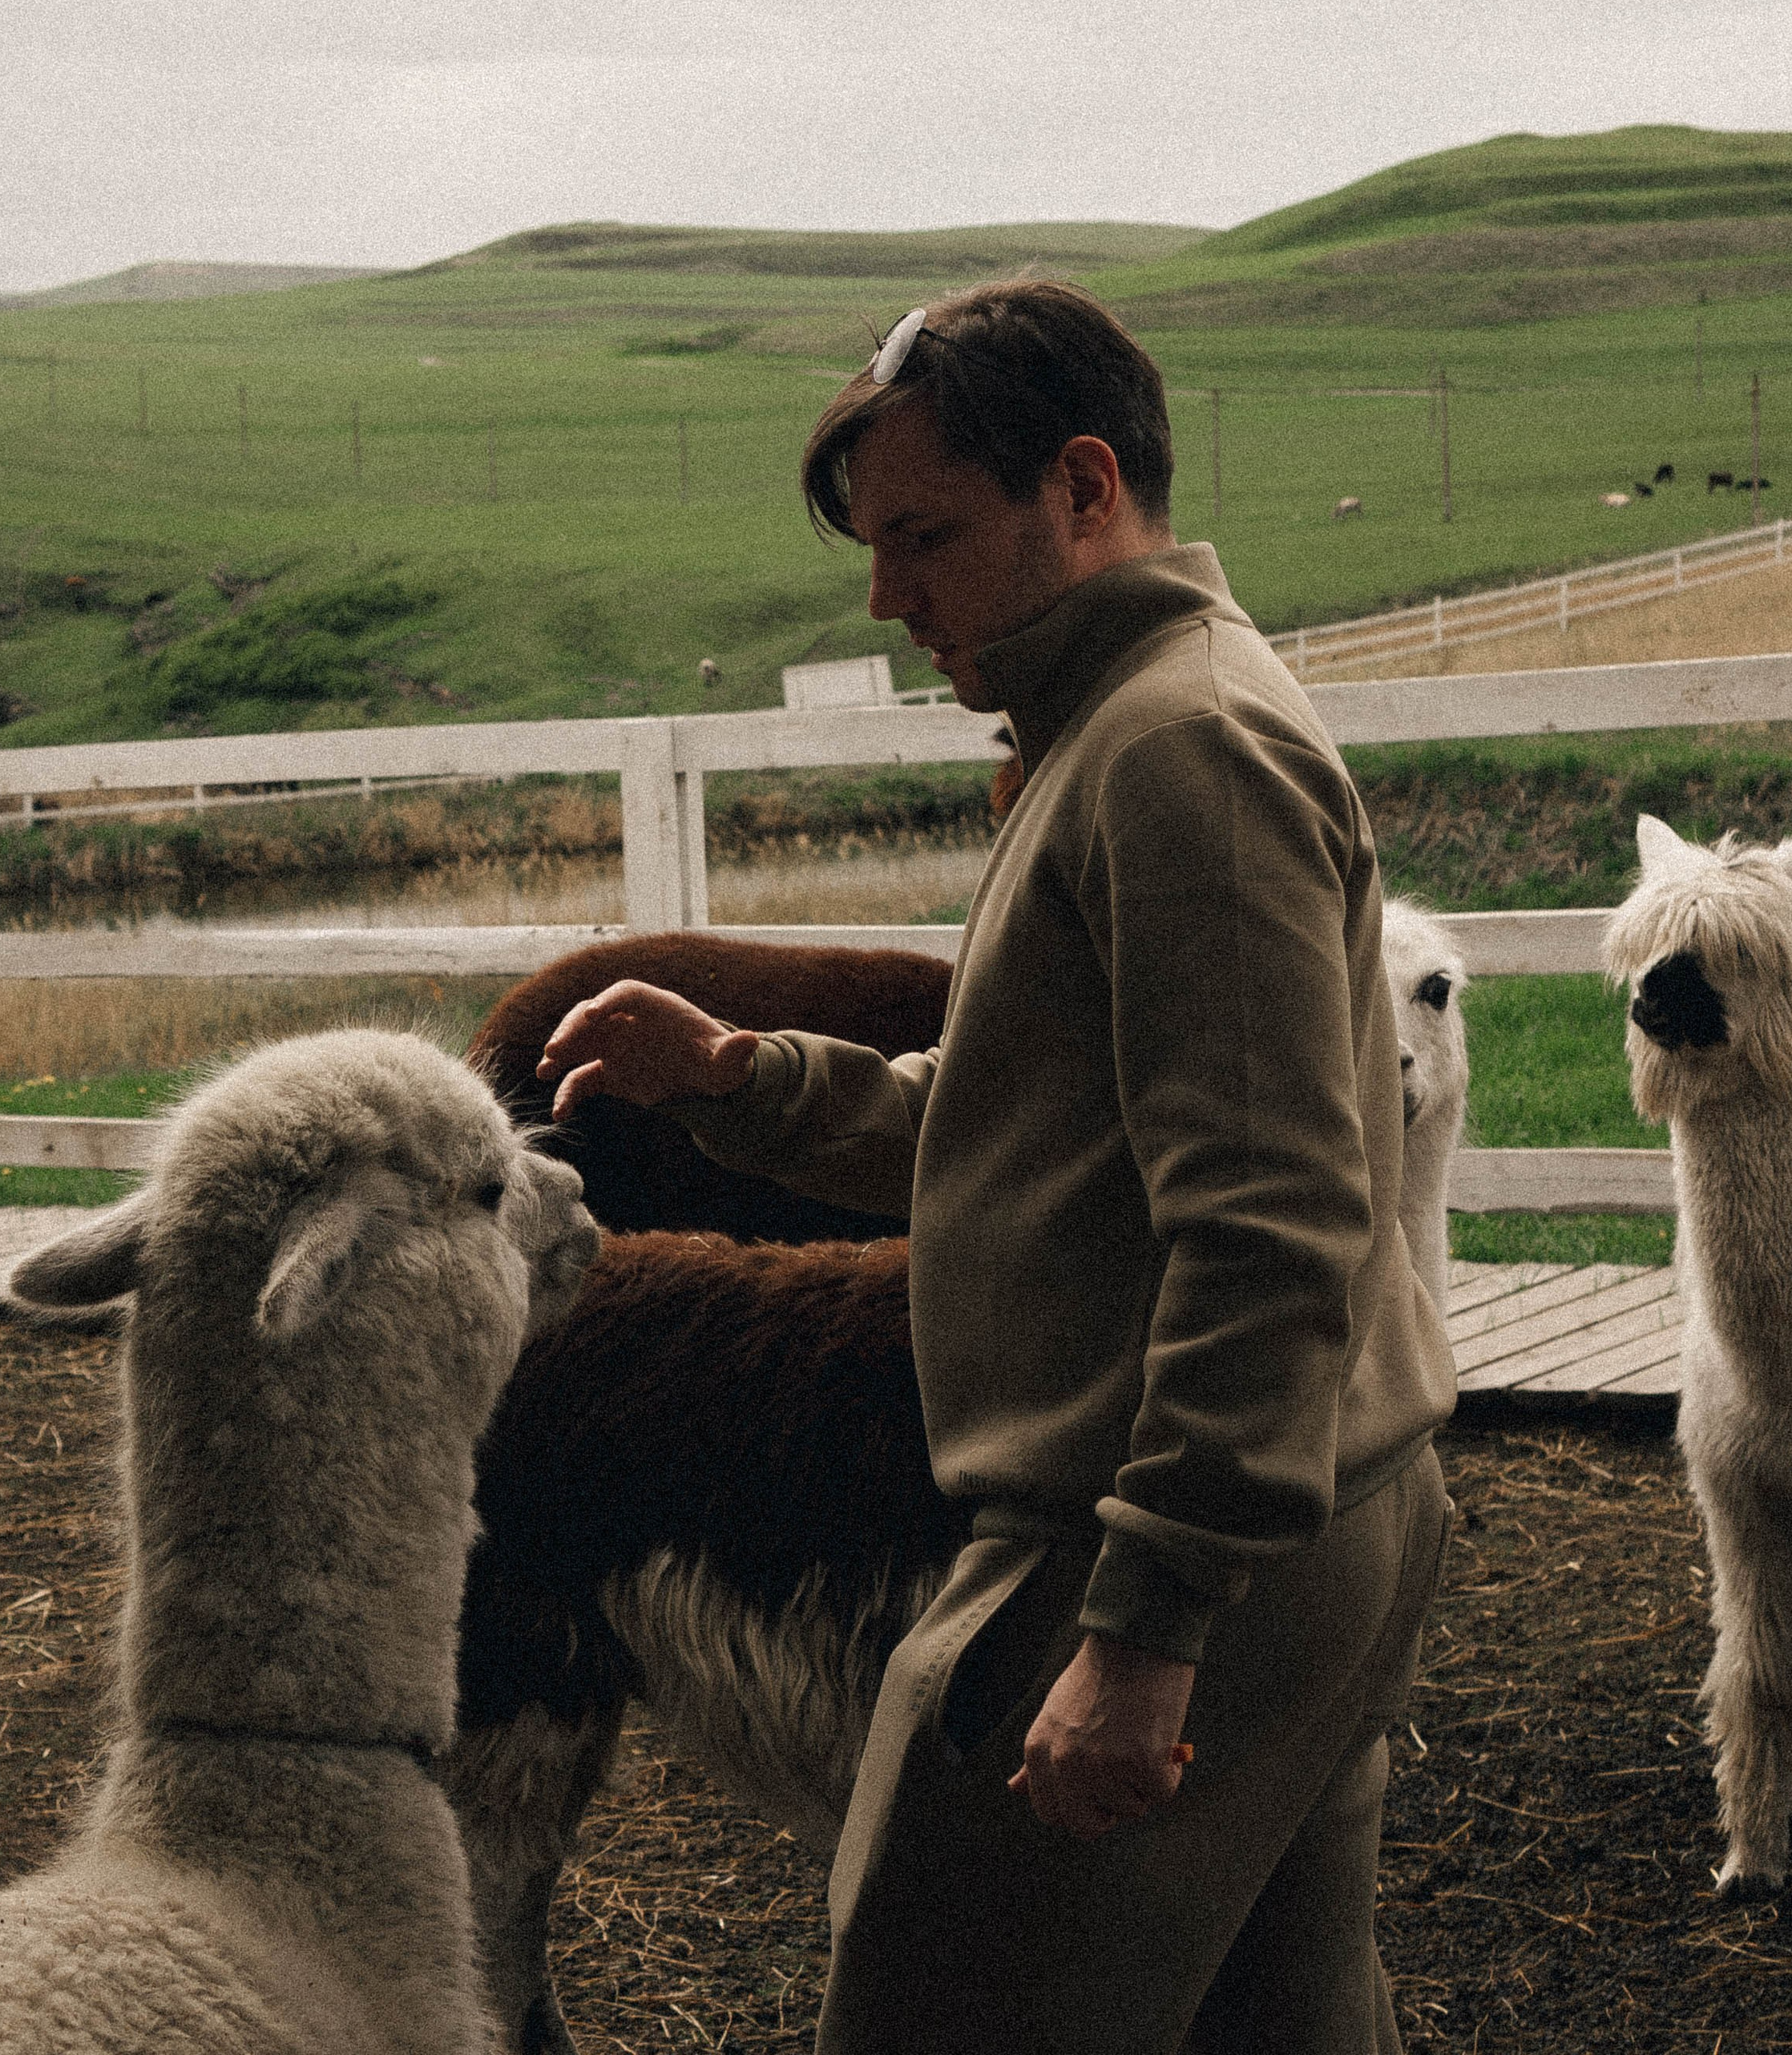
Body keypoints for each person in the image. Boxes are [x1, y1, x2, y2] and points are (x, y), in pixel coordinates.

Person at [538, 281, 1457, 2054]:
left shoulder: (1176, 750)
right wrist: (737, 1078)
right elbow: (1033, 1136)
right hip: (1307, 1512)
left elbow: (1268, 1221)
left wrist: (1146, 1623)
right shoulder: (1124, 725)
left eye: (927, 535)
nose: (887, 598)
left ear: (1083, 487)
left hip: (1173, 1533)